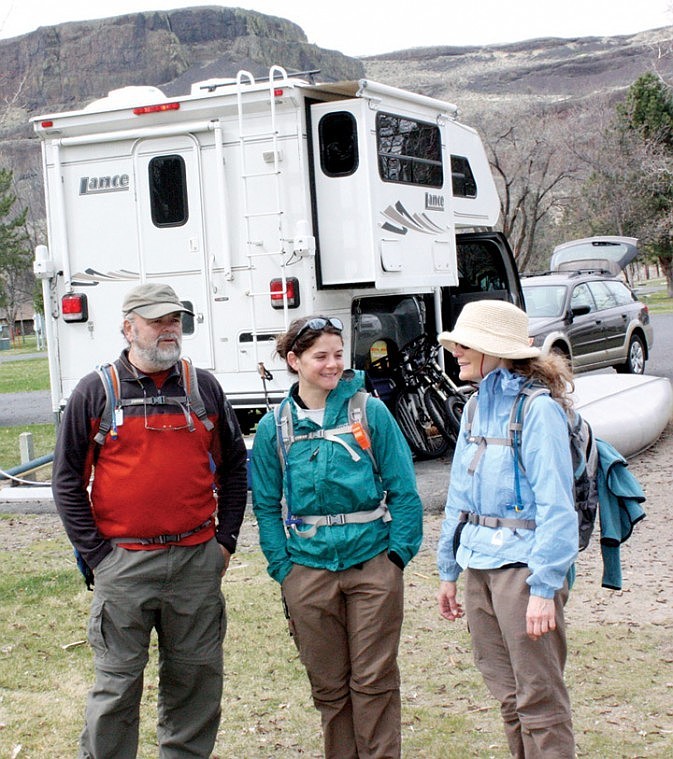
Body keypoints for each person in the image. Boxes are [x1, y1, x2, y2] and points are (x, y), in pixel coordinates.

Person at [51, 283, 248, 759]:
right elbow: (66, 483)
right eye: (157, 320)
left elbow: (235, 468)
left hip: (196, 562)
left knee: (196, 680)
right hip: (123, 566)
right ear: (128, 326)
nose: (168, 329)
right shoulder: (96, 391)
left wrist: (225, 542)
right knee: (116, 686)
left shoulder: (203, 388)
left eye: (174, 320)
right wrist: (100, 556)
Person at [251, 315, 423, 759]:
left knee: (374, 681)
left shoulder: (369, 410)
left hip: (372, 566)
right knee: (329, 688)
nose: (333, 365)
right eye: (320, 356)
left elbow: (404, 489)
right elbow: (267, 505)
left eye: (338, 354)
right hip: (307, 571)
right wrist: (283, 569)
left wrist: (397, 556)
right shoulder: (276, 427)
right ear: (294, 360)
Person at [435, 300, 578, 758]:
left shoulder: (539, 411)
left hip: (523, 570)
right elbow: (459, 494)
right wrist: (447, 571)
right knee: (508, 696)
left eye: (465, 343)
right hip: (478, 565)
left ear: (495, 350)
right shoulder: (475, 407)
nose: (455, 350)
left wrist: (544, 586)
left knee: (539, 699)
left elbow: (558, 507)